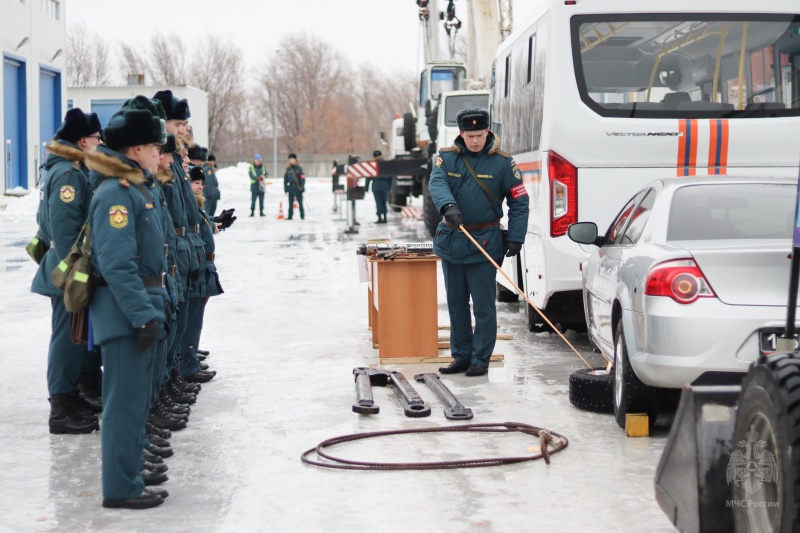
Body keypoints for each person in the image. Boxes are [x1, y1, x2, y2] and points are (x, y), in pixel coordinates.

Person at [84, 98, 169, 509]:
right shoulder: (116, 194)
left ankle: (129, 475)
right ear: (136, 149)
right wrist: (142, 315)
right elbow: (117, 265)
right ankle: (120, 487)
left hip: (138, 309)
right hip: (125, 315)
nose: (159, 155)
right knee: (122, 405)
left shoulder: (133, 188)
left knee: (135, 404)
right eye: (155, 148)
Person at [429, 108, 529, 377]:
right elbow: (437, 184)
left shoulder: (503, 164)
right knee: (456, 303)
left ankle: (480, 358)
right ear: (461, 134)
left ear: (488, 132)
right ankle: (461, 355)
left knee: (483, 305)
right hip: (452, 241)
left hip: (485, 242)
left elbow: (519, 201)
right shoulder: (447, 159)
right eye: (470, 135)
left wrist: (517, 237)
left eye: (480, 135)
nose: (475, 140)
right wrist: (448, 206)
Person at [31, 108, 104, 434]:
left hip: (68, 268)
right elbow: (63, 232)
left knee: (75, 337)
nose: (100, 143)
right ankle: (60, 406)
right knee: (67, 338)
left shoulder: (67, 169)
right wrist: (77, 273)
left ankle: (71, 395)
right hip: (66, 271)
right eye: (96, 138)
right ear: (81, 140)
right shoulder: (69, 175)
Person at [364, 150, 391, 224]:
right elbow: (391, 176)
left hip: (376, 185)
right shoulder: (386, 165)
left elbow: (368, 177)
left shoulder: (373, 165)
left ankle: (380, 218)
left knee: (378, 202)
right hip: (385, 185)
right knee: (384, 202)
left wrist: (366, 188)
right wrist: (390, 186)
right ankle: (385, 218)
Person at [283, 153, 306, 220]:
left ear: (295, 160)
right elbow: (285, 180)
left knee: (300, 203)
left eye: (293, 159)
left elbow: (302, 179)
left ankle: (302, 216)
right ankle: (290, 216)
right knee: (290, 204)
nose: (291, 160)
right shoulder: (288, 169)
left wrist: (302, 187)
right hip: (291, 188)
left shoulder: (299, 169)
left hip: (298, 187)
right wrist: (285, 188)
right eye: (290, 159)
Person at [203, 153, 220, 217]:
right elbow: (209, 182)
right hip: (210, 194)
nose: (213, 162)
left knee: (211, 211)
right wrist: (210, 194)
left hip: (212, 194)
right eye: (211, 161)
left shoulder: (210, 169)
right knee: (209, 211)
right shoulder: (208, 170)